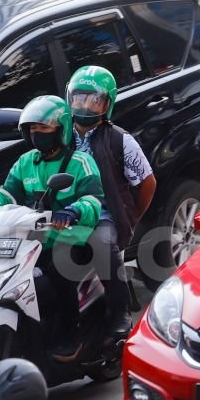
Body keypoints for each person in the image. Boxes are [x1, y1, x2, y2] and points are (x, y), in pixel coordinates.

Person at [0, 95, 106, 357]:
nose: (38, 134)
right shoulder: (25, 162)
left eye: (44, 129)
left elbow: (93, 200)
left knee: (59, 272)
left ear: (61, 129)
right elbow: (8, 194)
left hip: (72, 237)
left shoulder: (81, 162)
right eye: (33, 129)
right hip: (31, 237)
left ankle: (70, 335)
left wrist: (73, 211)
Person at [65, 65, 157, 340]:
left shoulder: (120, 140)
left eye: (94, 100)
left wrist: (129, 218)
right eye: (79, 98)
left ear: (108, 103)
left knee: (103, 245)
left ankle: (119, 312)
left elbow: (147, 182)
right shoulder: (61, 135)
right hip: (64, 213)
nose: (84, 105)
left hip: (103, 216)